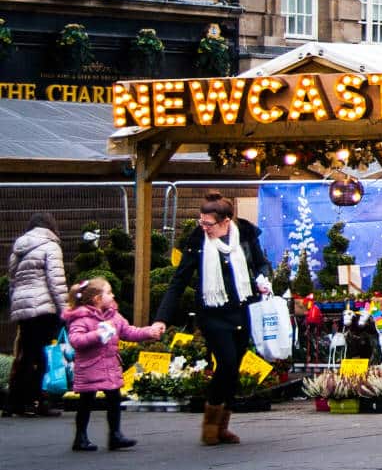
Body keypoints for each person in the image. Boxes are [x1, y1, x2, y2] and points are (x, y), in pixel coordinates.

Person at [156, 192, 273, 447]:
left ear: (226, 221)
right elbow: (179, 280)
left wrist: (263, 279)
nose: (204, 228)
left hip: (242, 309)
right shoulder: (198, 240)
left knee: (234, 369)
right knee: (227, 363)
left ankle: (223, 425)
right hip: (212, 313)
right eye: (202, 222)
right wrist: (161, 318)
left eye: (209, 224)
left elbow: (262, 264)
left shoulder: (245, 235)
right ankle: (210, 422)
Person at [63, 278, 166, 451]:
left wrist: (149, 332)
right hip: (90, 367)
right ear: (97, 298)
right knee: (86, 402)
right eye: (109, 292)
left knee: (114, 398)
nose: (113, 295)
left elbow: (128, 332)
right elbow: (76, 340)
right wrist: (98, 334)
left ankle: (115, 434)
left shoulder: (114, 316)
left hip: (109, 365)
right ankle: (80, 437)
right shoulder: (81, 318)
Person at [6, 212, 68, 417]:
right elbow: (56, 281)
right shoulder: (51, 246)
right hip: (43, 307)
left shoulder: (18, 248)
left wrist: (16, 304)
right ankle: (37, 400)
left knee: (26, 353)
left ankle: (16, 401)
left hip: (22, 307)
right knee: (41, 354)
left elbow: (12, 280)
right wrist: (66, 310)